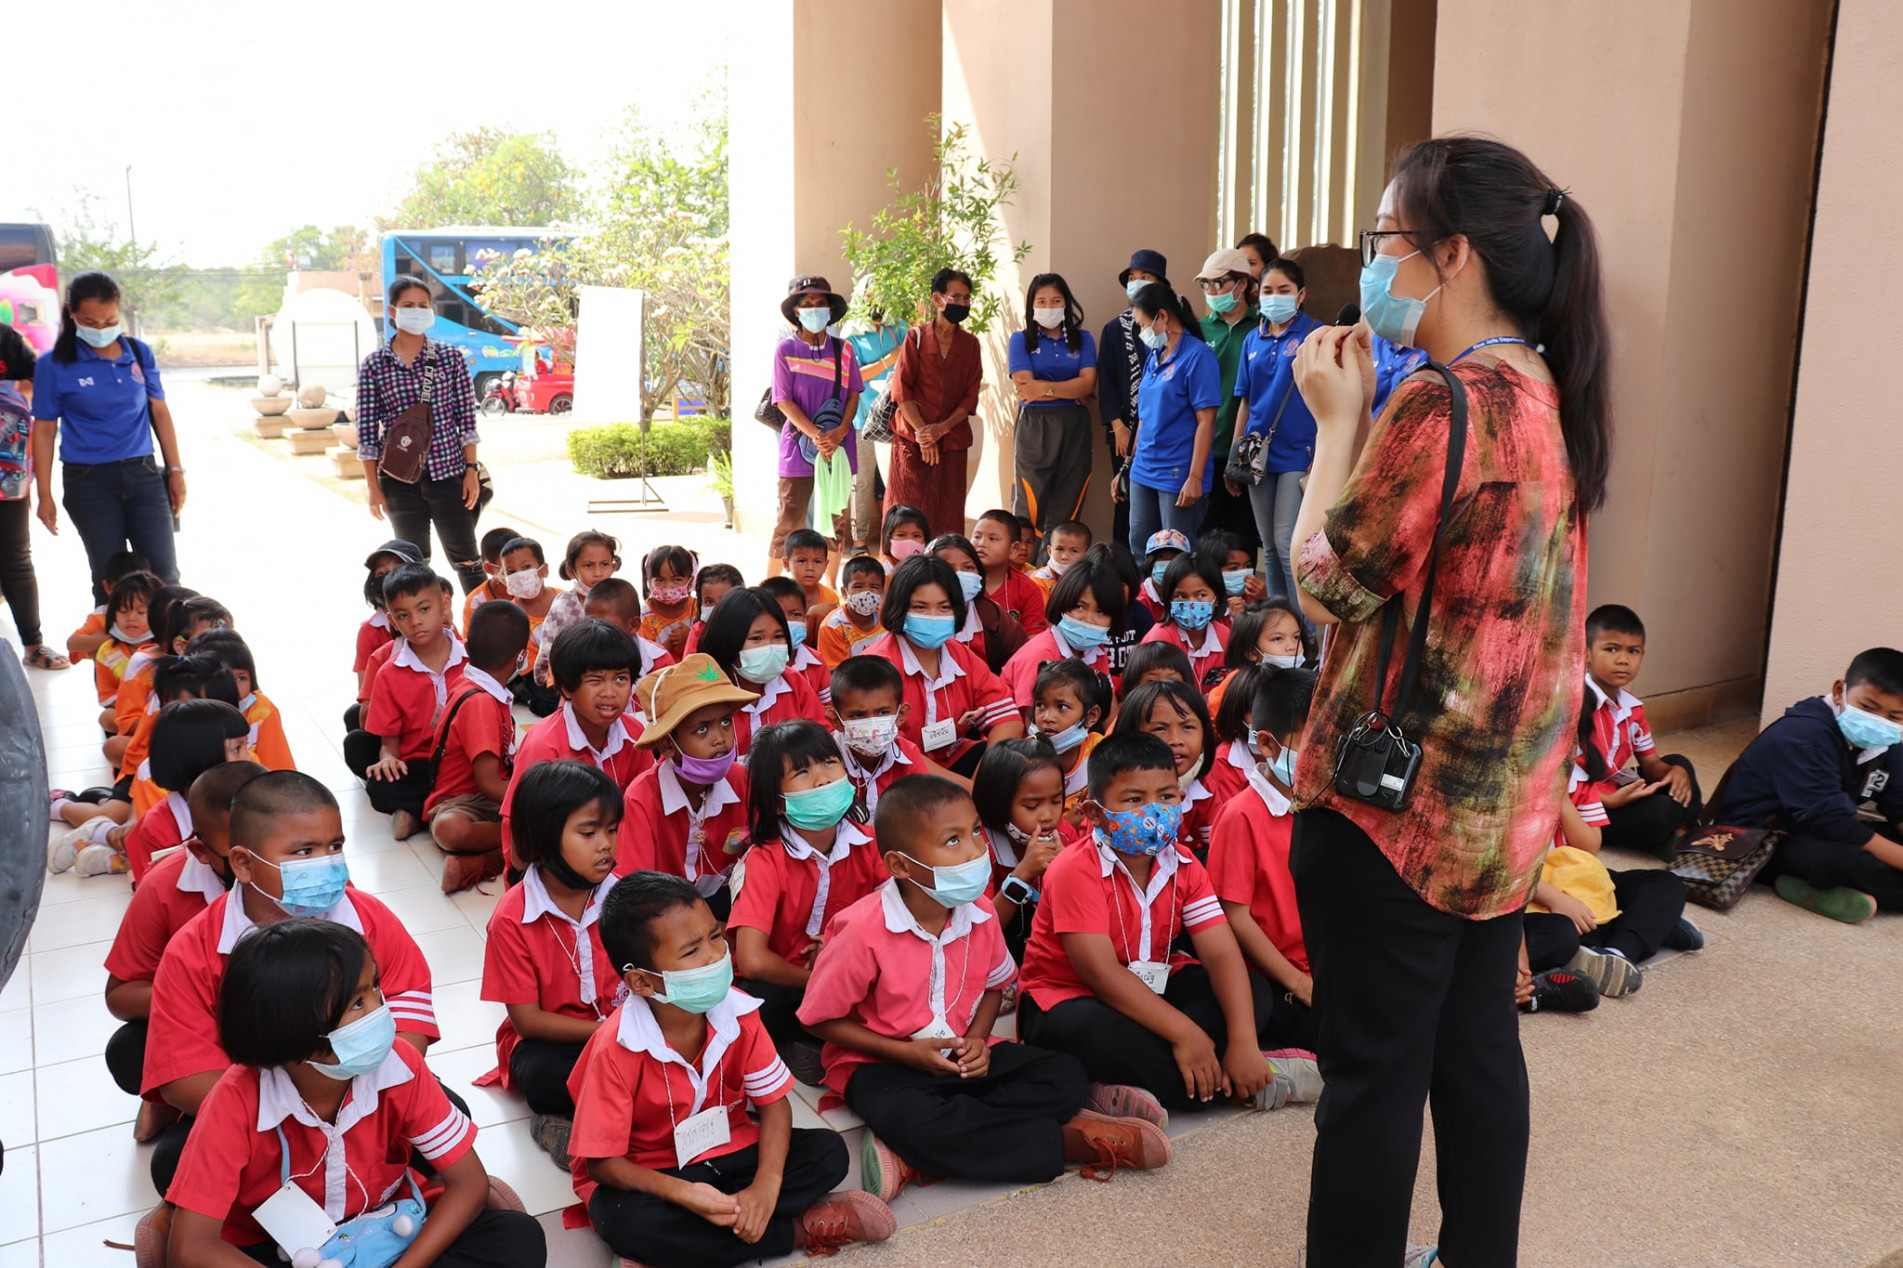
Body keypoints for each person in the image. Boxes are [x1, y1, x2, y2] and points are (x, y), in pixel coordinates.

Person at [1288, 137, 1610, 1266]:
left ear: (1452, 252)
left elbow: (1327, 584)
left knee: (1370, 1081)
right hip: (1498, 815)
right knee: (1476, 1053)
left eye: (1384, 242)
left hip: (1393, 816)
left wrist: (1336, 421)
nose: (1372, 267)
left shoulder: (1439, 401)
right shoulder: (1546, 389)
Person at [798, 773, 1171, 1200]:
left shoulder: (979, 912)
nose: (976, 849)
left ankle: (919, 1153)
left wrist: (976, 1040)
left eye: (975, 831)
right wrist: (905, 1053)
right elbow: (818, 1021)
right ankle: (1070, 1139)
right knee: (907, 1115)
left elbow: (996, 986)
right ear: (900, 865)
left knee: (1063, 1074)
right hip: (885, 1062)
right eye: (952, 840)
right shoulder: (862, 931)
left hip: (962, 1054)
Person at [159, 918, 542, 1267]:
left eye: (376, 987)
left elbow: (469, 1183)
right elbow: (193, 1247)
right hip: (277, 1249)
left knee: (517, 1239)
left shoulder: (400, 1064)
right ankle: (159, 1224)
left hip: (388, 1232)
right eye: (358, 1003)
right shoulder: (235, 1100)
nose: (381, 1010)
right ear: (290, 1029)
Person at [566, 871, 895, 1266]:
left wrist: (766, 1186)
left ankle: (687, 1244)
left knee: (827, 1153)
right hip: (654, 1169)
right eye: (691, 952)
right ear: (640, 981)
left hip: (729, 1149)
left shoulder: (738, 1010)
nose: (714, 956)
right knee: (623, 1218)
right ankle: (797, 1230)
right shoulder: (615, 1047)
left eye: (715, 937)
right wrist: (684, 1194)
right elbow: (603, 1165)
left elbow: (774, 1106)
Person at [141, 772, 441, 1194]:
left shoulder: (368, 917)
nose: (327, 862)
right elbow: (187, 1075)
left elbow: (410, 1015)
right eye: (304, 851)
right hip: (259, 1116)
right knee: (173, 1162)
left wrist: (361, 1101)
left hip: (372, 1095)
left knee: (447, 1115)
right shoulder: (193, 950)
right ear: (243, 863)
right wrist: (297, 1115)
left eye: (334, 846)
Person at [1014, 732, 1317, 1118]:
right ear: (1094, 813)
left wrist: (1243, 1042)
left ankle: (1168, 1076)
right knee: (1091, 1031)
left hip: (1152, 985)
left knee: (1253, 994)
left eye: (1167, 796)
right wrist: (1185, 1034)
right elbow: (1101, 974)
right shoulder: (1074, 868)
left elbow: (1222, 953)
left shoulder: (1185, 864)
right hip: (1069, 996)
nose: (1155, 811)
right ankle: (1259, 1079)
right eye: (1135, 800)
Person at [103, 761, 266, 1143]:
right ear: (201, 849)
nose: (257, 864)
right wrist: (209, 996)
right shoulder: (164, 885)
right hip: (205, 1034)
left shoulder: (308, 878)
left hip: (297, 1037)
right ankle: (189, 1101)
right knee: (129, 1051)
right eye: (239, 853)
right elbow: (121, 995)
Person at [479, 760, 624, 1167]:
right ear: (542, 837)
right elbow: (528, 1022)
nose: (606, 845)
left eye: (611, 830)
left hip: (625, 1030)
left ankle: (599, 1116)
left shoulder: (626, 899)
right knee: (542, 1075)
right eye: (588, 832)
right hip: (558, 1044)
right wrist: (606, 1032)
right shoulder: (511, 918)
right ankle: (555, 1120)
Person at [728, 719, 890, 1083]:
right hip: (789, 980)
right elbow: (753, 960)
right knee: (752, 1007)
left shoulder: (869, 841)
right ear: (778, 803)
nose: (821, 779)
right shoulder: (765, 858)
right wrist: (816, 975)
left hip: (851, 967)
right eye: (802, 771)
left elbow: (891, 914)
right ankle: (809, 1045)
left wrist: (841, 950)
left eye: (829, 763)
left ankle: (822, 1043)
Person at [1714, 646, 1903, 922]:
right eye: (1867, 707)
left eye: (1894, 717)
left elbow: (1898, 805)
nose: (1878, 722)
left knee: (1885, 841)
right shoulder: (1805, 735)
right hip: (1760, 839)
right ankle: (1788, 879)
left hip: (1817, 829)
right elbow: (1832, 820)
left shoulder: (1888, 740)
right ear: (1840, 691)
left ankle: (1819, 888)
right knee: (1848, 861)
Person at [30, 271, 186, 602]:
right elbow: (44, 429)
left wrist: (176, 472)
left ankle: (167, 652)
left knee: (164, 575)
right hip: (89, 482)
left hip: (143, 474)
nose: (101, 329)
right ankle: (113, 654)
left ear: (119, 313)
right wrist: (44, 493)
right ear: (72, 314)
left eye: (109, 320)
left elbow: (160, 412)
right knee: (109, 577)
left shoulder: (139, 354)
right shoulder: (54, 364)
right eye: (90, 322)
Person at [1206, 666, 1318, 1052]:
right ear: (1268, 745)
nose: (1323, 756)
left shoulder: (1328, 802)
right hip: (1277, 976)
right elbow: (1236, 915)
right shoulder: (1241, 815)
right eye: (1311, 744)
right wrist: (1299, 984)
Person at [356, 277, 485, 594]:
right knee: (412, 568)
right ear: (392, 310)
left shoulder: (450, 358)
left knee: (469, 562)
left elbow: (466, 420)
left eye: (423, 306)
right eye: (408, 305)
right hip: (399, 482)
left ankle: (484, 630)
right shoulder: (375, 365)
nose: (417, 311)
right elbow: (367, 433)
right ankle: (424, 635)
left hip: (450, 475)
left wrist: (471, 471)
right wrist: (373, 487)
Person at [617, 652, 757, 911]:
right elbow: (635, 892)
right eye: (702, 729)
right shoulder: (642, 799)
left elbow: (762, 854)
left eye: (725, 721)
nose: (720, 739)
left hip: (731, 901)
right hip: (663, 912)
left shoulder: (741, 780)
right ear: (667, 745)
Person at [867, 555, 1023, 776]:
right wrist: (965, 791)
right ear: (898, 607)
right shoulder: (877, 666)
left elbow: (1008, 720)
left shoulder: (959, 654)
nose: (933, 617)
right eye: (920, 607)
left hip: (954, 762)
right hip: (897, 774)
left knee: (1020, 759)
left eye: (944, 607)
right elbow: (888, 749)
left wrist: (982, 782)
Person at [500, 620, 650, 848]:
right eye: (595, 680)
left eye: (621, 678)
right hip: (556, 857)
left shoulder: (635, 733)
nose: (610, 692)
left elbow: (646, 802)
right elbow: (520, 823)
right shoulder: (544, 744)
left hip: (618, 848)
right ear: (567, 687)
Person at [346, 563, 468, 839]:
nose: (415, 622)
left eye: (424, 609)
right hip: (420, 766)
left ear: (444, 604)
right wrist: (387, 760)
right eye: (403, 615)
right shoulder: (389, 672)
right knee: (381, 784)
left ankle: (417, 815)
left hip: (465, 760)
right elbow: (390, 746)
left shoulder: (472, 658)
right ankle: (445, 808)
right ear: (392, 620)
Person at [1229, 257, 1324, 610]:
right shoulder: (1252, 339)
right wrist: (1235, 456)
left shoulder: (1317, 335)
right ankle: (1278, 621)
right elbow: (1246, 401)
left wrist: (1323, 452)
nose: (1275, 297)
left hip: (1299, 453)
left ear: (1301, 295)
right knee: (1267, 544)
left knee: (1288, 542)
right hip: (1257, 454)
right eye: (1267, 290)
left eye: (1284, 290)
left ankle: (1305, 631)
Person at [1579, 603, 1702, 858]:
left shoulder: (1631, 707)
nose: (1623, 660)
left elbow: (1652, 765)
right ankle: (1678, 831)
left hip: (1616, 788)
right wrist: (1608, 800)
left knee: (1680, 763)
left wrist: (1673, 773)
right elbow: (1556, 780)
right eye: (1611, 649)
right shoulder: (1574, 704)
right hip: (1583, 805)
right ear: (1586, 652)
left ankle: (1680, 831)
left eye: (1633, 651)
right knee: (1661, 813)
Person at [427, 600, 531, 892]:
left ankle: (480, 862)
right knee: (451, 829)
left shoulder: (476, 685)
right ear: (521, 657)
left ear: (468, 648)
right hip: (464, 801)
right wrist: (529, 810)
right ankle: (523, 839)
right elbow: (488, 784)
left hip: (487, 801)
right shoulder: (481, 701)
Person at [771, 276, 864, 567]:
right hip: (798, 446)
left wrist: (839, 433)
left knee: (837, 519)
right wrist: (816, 435)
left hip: (839, 445)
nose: (814, 309)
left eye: (820, 303)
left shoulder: (844, 350)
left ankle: (834, 591)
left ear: (830, 310)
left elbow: (853, 395)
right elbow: (783, 400)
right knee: (790, 518)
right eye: (807, 304)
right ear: (796, 312)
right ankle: (770, 587)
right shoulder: (785, 350)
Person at [1124, 283, 1219, 556]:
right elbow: (1144, 416)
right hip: (1144, 468)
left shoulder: (1197, 356)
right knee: (1141, 547)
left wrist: (1195, 478)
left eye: (1144, 324)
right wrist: (1128, 463)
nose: (1142, 331)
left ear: (1162, 316)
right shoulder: (1155, 355)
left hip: (1176, 471)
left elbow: (1206, 421)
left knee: (1176, 551)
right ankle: (1145, 599)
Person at [886, 269, 982, 537]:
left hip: (952, 442)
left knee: (948, 514)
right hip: (911, 440)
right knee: (907, 512)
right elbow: (901, 388)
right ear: (938, 300)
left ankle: (943, 573)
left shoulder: (971, 344)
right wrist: (923, 433)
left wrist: (941, 429)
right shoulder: (915, 338)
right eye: (956, 297)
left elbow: (970, 395)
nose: (962, 304)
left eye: (966, 298)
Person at [1007, 273, 1098, 549]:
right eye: (1042, 301)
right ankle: (1023, 574)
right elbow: (1025, 386)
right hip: (1035, 426)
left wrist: (1044, 389)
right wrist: (1070, 389)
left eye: (1056, 301)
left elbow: (1088, 384)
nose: (1049, 307)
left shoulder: (1083, 339)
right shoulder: (1021, 340)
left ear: (1066, 304)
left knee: (1068, 507)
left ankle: (1058, 577)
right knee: (1029, 507)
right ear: (1032, 306)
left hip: (1075, 426)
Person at [971, 737, 1076, 961]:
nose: (1048, 816)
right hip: (994, 953)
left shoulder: (1064, 834)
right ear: (997, 802)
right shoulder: (978, 846)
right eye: (1032, 806)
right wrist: (1022, 875)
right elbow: (979, 932)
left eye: (1056, 801)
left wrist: (1066, 871)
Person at [699, 585, 824, 758]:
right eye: (756, 638)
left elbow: (821, 739)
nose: (770, 647)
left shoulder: (793, 682)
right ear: (728, 641)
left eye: (778, 637)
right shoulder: (704, 690)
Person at [1193, 249, 1262, 555]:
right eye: (1205, 284)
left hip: (1246, 451)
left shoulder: (1262, 328)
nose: (1212, 291)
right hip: (1204, 448)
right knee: (1204, 541)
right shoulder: (1197, 329)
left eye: (1219, 283)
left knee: (1242, 539)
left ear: (1243, 283)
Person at [1100, 251, 1169, 552]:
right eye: (1132, 277)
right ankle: (1122, 571)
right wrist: (1118, 426)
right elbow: (1107, 381)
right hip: (1124, 432)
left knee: (1161, 507)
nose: (1137, 282)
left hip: (1165, 433)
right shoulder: (1114, 328)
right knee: (1126, 501)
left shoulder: (1171, 326)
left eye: (1145, 277)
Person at [0, 341, 63, 670]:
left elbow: (41, 380)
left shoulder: (5, 339)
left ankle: (33, 645)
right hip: (10, 476)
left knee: (16, 559)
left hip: (8, 477)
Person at [827, 654, 948, 823]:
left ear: (901, 714)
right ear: (835, 720)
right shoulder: (825, 760)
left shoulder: (908, 755)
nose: (872, 725)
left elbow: (924, 811)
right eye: (857, 715)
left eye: (883, 712)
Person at [1114, 679, 1219, 856]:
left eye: (1188, 727)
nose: (1176, 740)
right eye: (1160, 729)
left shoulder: (1205, 789)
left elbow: (1215, 848)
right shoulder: (1116, 790)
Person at [1001, 562, 1123, 713]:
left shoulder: (1095, 650)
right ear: (1062, 603)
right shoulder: (1041, 654)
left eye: (1101, 612)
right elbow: (1032, 724)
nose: (1089, 619)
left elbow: (1110, 714)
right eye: (1080, 607)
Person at [842, 281, 906, 555]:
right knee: (863, 479)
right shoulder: (852, 335)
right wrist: (889, 360)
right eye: (870, 291)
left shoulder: (900, 328)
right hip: (863, 416)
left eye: (881, 291)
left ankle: (894, 540)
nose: (876, 297)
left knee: (895, 479)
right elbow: (854, 374)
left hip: (896, 415)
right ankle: (859, 543)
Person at [530, 529, 623, 676]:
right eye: (588, 566)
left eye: (604, 564)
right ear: (571, 571)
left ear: (613, 566)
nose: (598, 572)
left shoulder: (621, 599)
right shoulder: (563, 607)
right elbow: (548, 658)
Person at [1140, 552, 1229, 688]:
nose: (1192, 603)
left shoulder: (1225, 637)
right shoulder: (1159, 639)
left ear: (1216, 598)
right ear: (1168, 599)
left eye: (1201, 595)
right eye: (1181, 596)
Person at [496, 535, 561, 715]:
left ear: (543, 570)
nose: (520, 576)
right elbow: (530, 667)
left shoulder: (565, 600)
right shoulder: (511, 616)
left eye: (526, 568)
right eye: (511, 572)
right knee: (549, 701)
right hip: (537, 672)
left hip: (573, 663)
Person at [816, 555, 887, 666]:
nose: (866, 593)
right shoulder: (833, 626)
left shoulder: (887, 619)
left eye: (874, 587)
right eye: (858, 586)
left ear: (882, 592)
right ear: (844, 592)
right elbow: (837, 672)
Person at [461, 524, 524, 631]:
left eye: (525, 566)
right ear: (489, 568)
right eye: (510, 570)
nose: (520, 574)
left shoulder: (533, 588)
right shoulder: (476, 603)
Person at [1032, 520, 1091, 588]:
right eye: (1059, 549)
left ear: (1087, 554)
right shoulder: (1039, 578)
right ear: (1050, 551)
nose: (1065, 557)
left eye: (1074, 551)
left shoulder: (1089, 582)